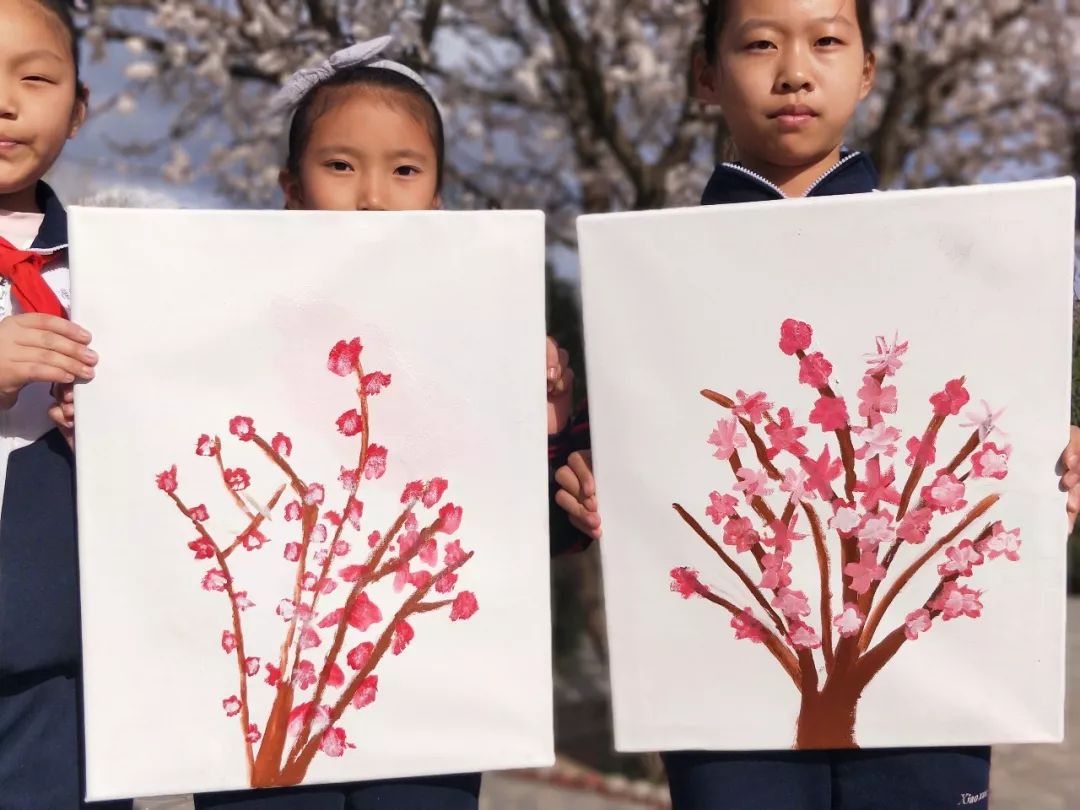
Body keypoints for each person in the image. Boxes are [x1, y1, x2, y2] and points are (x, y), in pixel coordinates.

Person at [548, 1, 1080, 808]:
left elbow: (999, 416)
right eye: (758, 43)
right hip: (723, 704)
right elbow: (614, 458)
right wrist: (583, 476)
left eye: (827, 41)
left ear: (867, 69)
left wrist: (1055, 449)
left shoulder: (953, 262)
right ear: (705, 74)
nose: (794, 70)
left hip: (929, 705)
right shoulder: (651, 285)